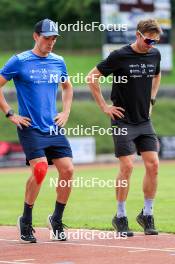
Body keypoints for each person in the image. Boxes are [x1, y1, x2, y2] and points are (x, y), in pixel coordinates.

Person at [0, 19, 74, 243]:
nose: (51, 42)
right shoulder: (19, 61)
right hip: (30, 127)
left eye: (54, 38)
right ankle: (26, 219)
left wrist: (66, 112)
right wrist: (10, 113)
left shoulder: (58, 61)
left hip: (53, 127)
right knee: (41, 169)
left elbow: (67, 87)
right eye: (46, 37)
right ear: (35, 36)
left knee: (68, 171)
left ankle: (57, 219)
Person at [87, 19, 162, 236]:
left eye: (155, 41)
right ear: (138, 35)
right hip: (122, 120)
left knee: (154, 165)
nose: (151, 44)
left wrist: (152, 100)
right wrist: (104, 107)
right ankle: (120, 217)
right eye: (148, 40)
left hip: (144, 120)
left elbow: (157, 75)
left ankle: (147, 214)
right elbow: (92, 77)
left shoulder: (154, 54)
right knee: (128, 166)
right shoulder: (119, 55)